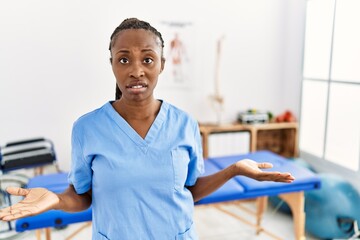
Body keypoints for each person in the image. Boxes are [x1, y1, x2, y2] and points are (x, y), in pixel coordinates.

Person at [0, 18, 294, 240]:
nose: (136, 70)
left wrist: (234, 170)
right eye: (124, 59)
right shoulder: (87, 128)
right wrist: (56, 200)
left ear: (162, 64)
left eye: (148, 59)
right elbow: (83, 196)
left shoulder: (184, 124)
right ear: (112, 64)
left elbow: (189, 191)